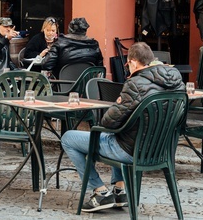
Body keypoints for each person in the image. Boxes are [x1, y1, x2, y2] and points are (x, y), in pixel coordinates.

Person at [61, 42, 185, 212]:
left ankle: (100, 192)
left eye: (128, 64)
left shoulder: (135, 84)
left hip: (130, 151)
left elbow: (108, 123)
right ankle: (119, 192)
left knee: (68, 138)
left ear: (133, 62)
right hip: (160, 150)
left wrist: (117, 104)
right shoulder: (177, 82)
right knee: (121, 132)